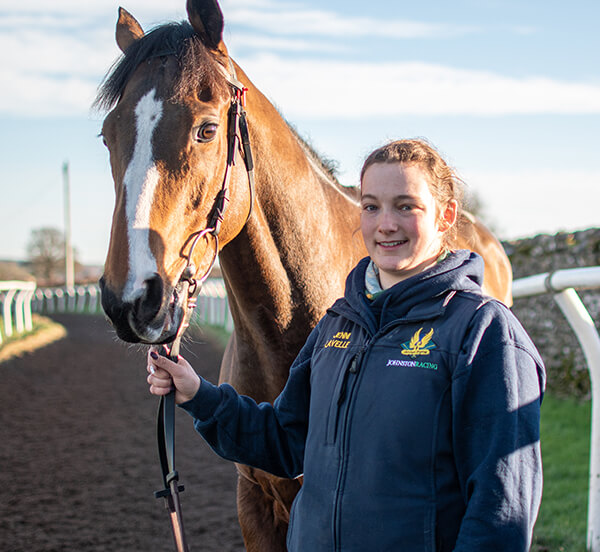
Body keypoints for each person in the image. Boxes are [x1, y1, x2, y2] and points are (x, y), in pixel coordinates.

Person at [147, 139, 545, 551]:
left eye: (406, 206)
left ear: (446, 217)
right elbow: (285, 441)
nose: (385, 224)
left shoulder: (485, 332)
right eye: (371, 206)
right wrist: (198, 394)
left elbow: (502, 509)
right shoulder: (338, 324)